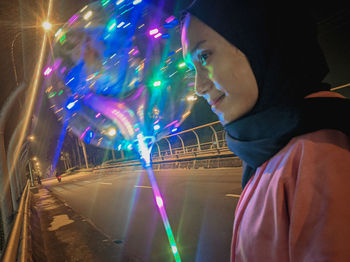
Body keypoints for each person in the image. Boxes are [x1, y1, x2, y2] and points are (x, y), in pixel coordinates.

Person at [180, 0, 350, 261]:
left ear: (258, 40)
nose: (199, 86)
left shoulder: (322, 155)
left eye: (204, 56)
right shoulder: (272, 146)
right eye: (193, 69)